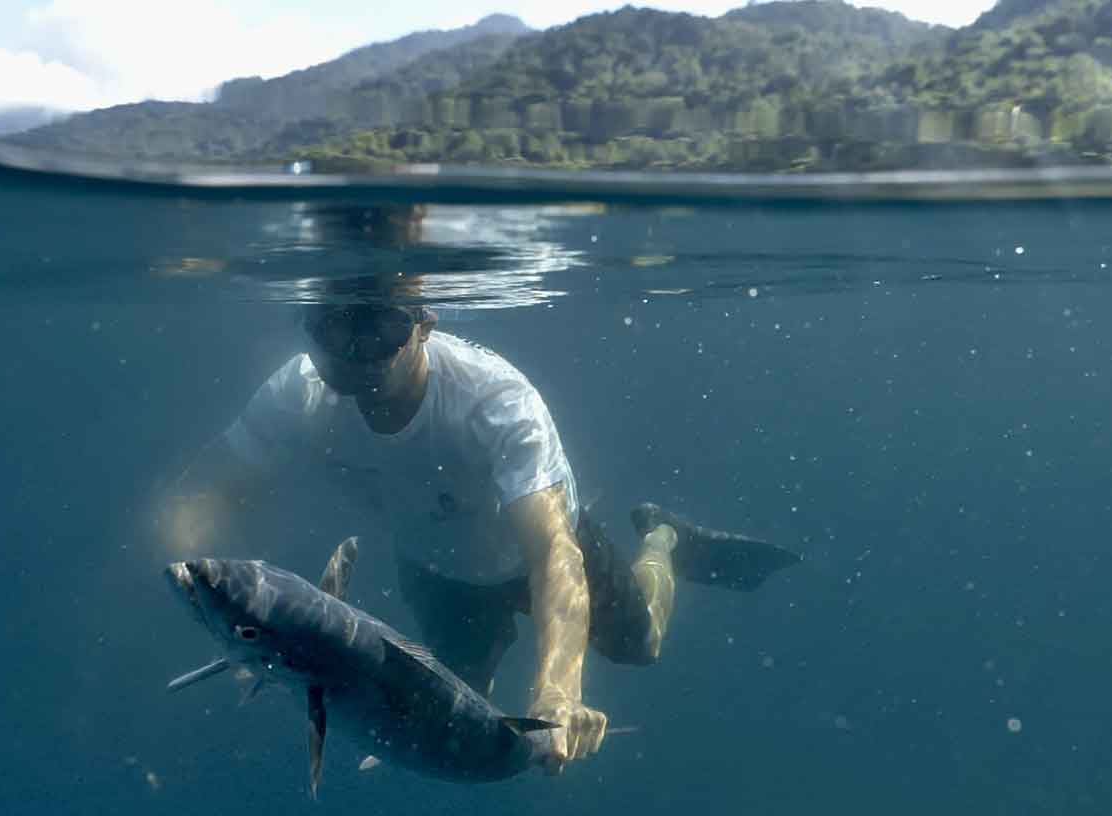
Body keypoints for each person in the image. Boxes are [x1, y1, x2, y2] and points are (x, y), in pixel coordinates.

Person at [170, 205, 800, 775]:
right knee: (465, 723)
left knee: (642, 646)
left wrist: (558, 689)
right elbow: (205, 493)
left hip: (536, 562)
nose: (358, 355)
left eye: (380, 329)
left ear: (423, 323)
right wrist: (206, 594)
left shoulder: (495, 400)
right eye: (335, 330)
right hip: (436, 570)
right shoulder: (298, 394)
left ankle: (664, 537)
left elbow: (553, 551)